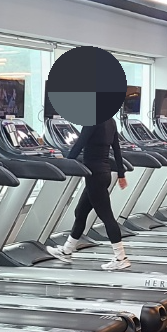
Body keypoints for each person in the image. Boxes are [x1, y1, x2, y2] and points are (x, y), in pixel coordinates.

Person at [45, 116, 130, 271]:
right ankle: (67, 250)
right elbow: (117, 150)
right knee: (80, 212)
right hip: (103, 174)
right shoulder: (111, 121)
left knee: (107, 217)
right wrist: (121, 174)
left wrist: (65, 164)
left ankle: (121, 258)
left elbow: (80, 144)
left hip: (94, 175)